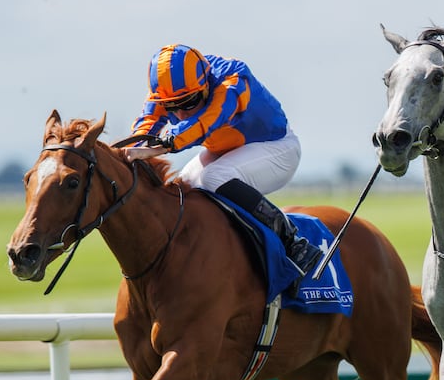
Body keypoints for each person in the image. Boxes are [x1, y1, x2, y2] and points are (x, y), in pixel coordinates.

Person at [128, 44, 321, 279]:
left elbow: (205, 122)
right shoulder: (168, 90)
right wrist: (130, 151)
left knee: (214, 177)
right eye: (171, 106)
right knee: (181, 189)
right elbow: (146, 125)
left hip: (277, 148)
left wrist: (162, 145)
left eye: (188, 103)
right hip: (228, 152)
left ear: (205, 83)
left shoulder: (232, 79)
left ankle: (292, 241)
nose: (179, 114)